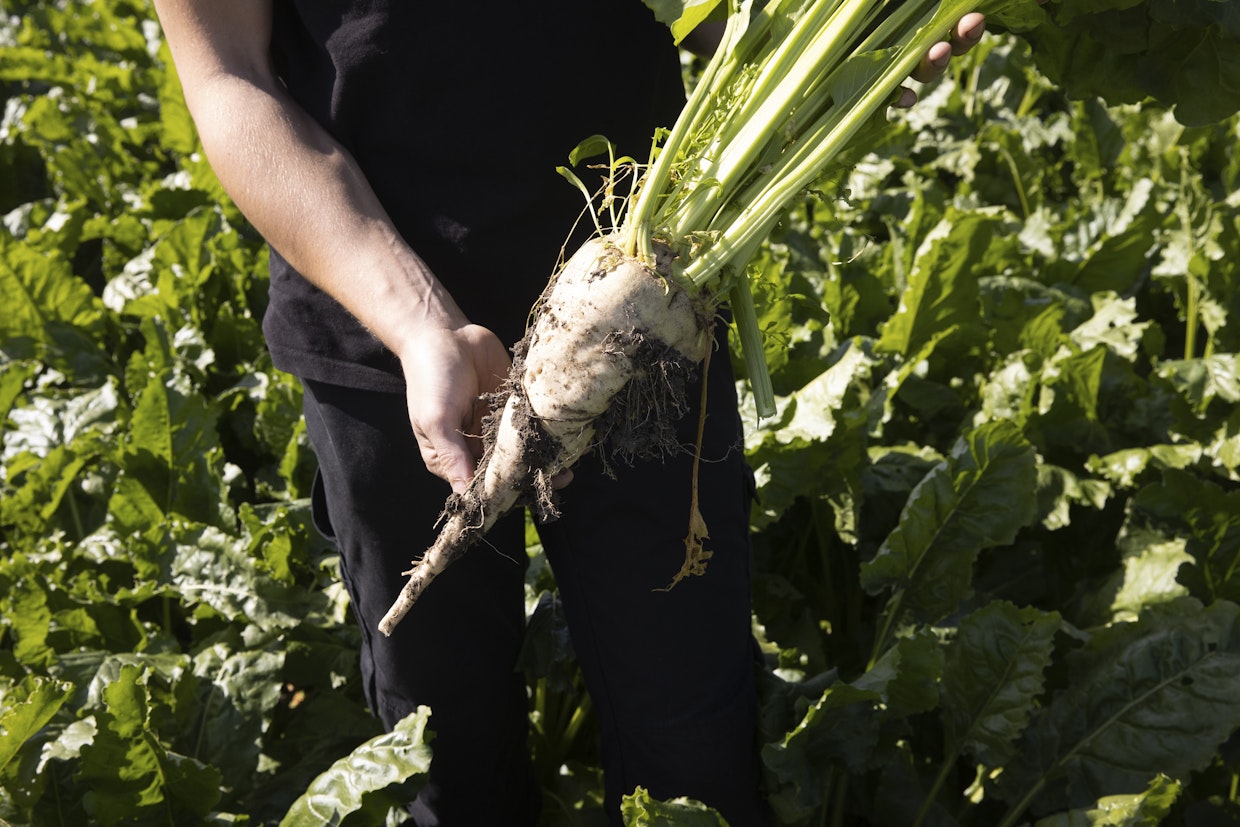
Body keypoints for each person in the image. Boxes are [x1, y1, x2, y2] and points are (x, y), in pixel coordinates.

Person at [152, 2, 986, 823]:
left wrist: (831, 45)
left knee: (692, 738)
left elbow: (703, 11)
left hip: (647, 314)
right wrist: (418, 323)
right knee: (445, 748)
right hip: (378, 334)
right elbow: (228, 76)